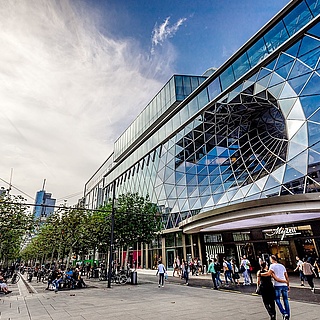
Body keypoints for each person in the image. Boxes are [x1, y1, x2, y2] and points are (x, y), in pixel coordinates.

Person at [261, 255, 290, 320]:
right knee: (286, 300)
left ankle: (284, 313)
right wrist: (288, 284)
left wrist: (260, 274)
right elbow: (286, 276)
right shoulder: (282, 266)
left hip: (278, 285)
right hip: (284, 285)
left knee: (277, 299)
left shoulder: (272, 266)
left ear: (272, 259)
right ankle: (287, 315)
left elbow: (268, 274)